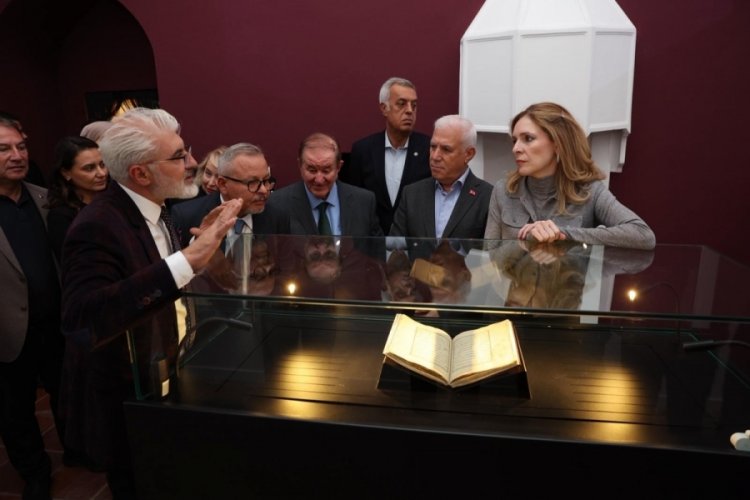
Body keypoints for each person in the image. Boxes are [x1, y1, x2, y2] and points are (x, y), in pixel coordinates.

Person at [59, 107, 242, 498]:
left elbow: (155, 281)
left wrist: (198, 248)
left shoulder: (158, 208)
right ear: (140, 174)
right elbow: (83, 318)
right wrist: (187, 260)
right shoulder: (97, 224)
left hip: (168, 378)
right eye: (178, 156)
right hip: (127, 402)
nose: (192, 163)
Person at [484, 102, 656, 250]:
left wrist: (563, 234)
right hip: (515, 280)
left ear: (558, 144)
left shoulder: (589, 190)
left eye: (528, 139)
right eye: (515, 140)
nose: (516, 149)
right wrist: (527, 242)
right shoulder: (503, 190)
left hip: (568, 280)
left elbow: (643, 235)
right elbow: (489, 257)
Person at [0, 115, 63, 499]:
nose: (17, 155)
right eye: (3, 149)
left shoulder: (45, 199)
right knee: (16, 411)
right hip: (8, 332)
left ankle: (77, 449)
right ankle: (35, 473)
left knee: (65, 393)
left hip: (56, 323)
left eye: (21, 146)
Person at [344, 77, 431, 235]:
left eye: (414, 105)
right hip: (373, 242)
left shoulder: (429, 149)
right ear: (384, 108)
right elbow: (354, 203)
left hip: (415, 243)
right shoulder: (363, 150)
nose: (410, 110)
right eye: (401, 103)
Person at [389, 115, 492, 241]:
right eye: (433, 147)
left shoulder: (488, 197)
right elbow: (395, 247)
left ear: (468, 154)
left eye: (446, 149)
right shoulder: (411, 194)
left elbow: (491, 250)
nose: (435, 156)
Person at [170, 142, 290, 250]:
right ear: (223, 184)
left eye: (266, 180)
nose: (263, 190)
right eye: (252, 182)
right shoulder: (186, 216)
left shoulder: (277, 217)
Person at [268, 132, 383, 239]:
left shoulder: (364, 202)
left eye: (326, 170)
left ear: (338, 167)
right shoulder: (278, 204)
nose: (319, 180)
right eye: (312, 170)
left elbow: (377, 250)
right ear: (300, 166)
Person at [46, 135, 109, 261]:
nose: (101, 173)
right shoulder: (62, 216)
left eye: (102, 165)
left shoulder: (113, 201)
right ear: (66, 173)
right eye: (89, 168)